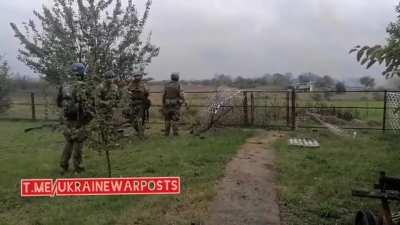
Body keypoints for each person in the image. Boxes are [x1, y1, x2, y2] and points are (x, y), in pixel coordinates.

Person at [57, 63, 93, 174]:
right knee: (78, 143)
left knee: (69, 142)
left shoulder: (64, 85)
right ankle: (78, 168)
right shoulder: (84, 86)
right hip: (80, 119)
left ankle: (63, 166)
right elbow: (90, 104)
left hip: (67, 119)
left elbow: (58, 102)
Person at [95, 70, 121, 144]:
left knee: (111, 124)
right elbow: (97, 101)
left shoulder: (115, 87)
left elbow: (117, 98)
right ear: (105, 78)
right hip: (102, 110)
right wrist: (106, 103)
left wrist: (117, 104)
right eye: (109, 77)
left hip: (111, 110)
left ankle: (110, 140)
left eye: (112, 77)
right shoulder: (100, 87)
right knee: (103, 125)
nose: (111, 79)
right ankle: (104, 141)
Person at [125, 68, 149, 138]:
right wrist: (130, 93)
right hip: (133, 103)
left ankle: (140, 133)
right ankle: (138, 132)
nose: (137, 77)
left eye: (138, 75)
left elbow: (147, 92)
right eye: (136, 76)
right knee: (132, 118)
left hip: (140, 103)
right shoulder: (131, 83)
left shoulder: (143, 84)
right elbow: (127, 90)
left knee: (140, 118)